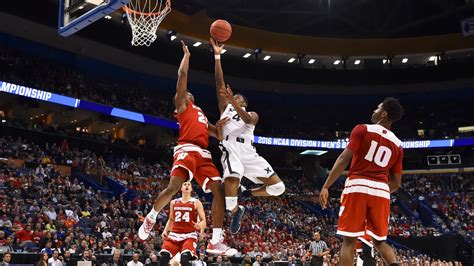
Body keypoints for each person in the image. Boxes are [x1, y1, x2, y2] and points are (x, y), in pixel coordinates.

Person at [138, 40, 233, 255]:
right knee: (173, 188)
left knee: (219, 191)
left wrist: (224, 123)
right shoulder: (183, 106)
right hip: (187, 148)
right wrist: (187, 57)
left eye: (189, 93)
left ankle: (216, 239)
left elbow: (217, 134)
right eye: (184, 92)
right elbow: (182, 77)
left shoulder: (200, 112)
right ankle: (151, 217)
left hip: (204, 154)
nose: (186, 92)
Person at [210, 38, 285, 234]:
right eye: (233, 97)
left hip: (249, 152)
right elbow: (219, 81)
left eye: (237, 98)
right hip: (231, 148)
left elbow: (248, 120)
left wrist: (233, 102)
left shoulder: (251, 114)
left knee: (278, 188)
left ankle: (248, 193)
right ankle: (237, 210)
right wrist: (217, 55)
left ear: (243, 102)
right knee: (231, 192)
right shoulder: (224, 109)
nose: (234, 98)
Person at [319, 97, 404, 266]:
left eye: (377, 108)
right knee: (380, 242)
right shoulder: (398, 144)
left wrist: (326, 186)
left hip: (358, 185)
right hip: (381, 191)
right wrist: (380, 189)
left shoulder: (362, 129)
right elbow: (396, 184)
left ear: (384, 114)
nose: (374, 111)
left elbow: (344, 158)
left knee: (349, 241)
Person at [159, 181, 206, 266]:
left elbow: (203, 221)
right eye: (184, 184)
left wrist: (201, 229)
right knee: (163, 259)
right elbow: (171, 219)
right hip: (174, 234)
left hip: (189, 235)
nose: (187, 186)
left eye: (189, 184)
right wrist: (165, 231)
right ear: (181, 188)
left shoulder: (196, 202)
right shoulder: (174, 202)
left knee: (184, 259)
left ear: (191, 189)